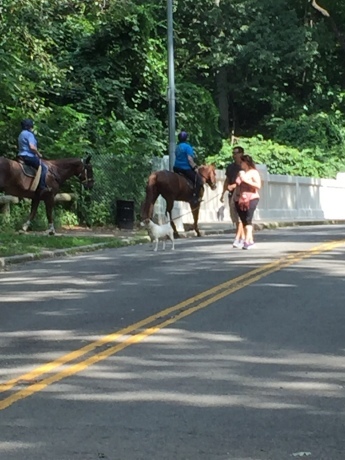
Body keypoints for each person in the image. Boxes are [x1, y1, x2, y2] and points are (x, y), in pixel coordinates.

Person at [234, 154, 261, 250]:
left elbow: (258, 185)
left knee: (248, 219)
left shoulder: (254, 172)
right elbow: (237, 185)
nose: (240, 164)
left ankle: (247, 241)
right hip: (241, 199)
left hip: (252, 198)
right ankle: (251, 241)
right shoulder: (241, 173)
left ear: (246, 163)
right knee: (244, 220)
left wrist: (245, 179)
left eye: (242, 162)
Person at [220, 145, 245, 248]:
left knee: (240, 218)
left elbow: (244, 180)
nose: (234, 155)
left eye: (236, 153)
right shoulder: (230, 167)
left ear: (241, 154)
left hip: (242, 195)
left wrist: (234, 185)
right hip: (232, 195)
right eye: (233, 153)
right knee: (235, 218)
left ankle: (237, 239)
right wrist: (223, 192)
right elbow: (227, 180)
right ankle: (243, 238)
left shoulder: (244, 166)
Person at [18, 118, 49, 192]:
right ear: (29, 126)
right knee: (44, 167)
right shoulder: (29, 134)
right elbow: (32, 147)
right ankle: (42, 187)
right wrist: (38, 153)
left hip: (21, 155)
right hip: (28, 156)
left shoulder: (21, 134)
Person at [173, 130, 203, 206]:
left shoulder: (177, 147)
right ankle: (195, 198)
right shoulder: (188, 147)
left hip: (176, 168)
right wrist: (195, 167)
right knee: (199, 180)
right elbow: (189, 159)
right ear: (186, 138)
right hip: (185, 169)